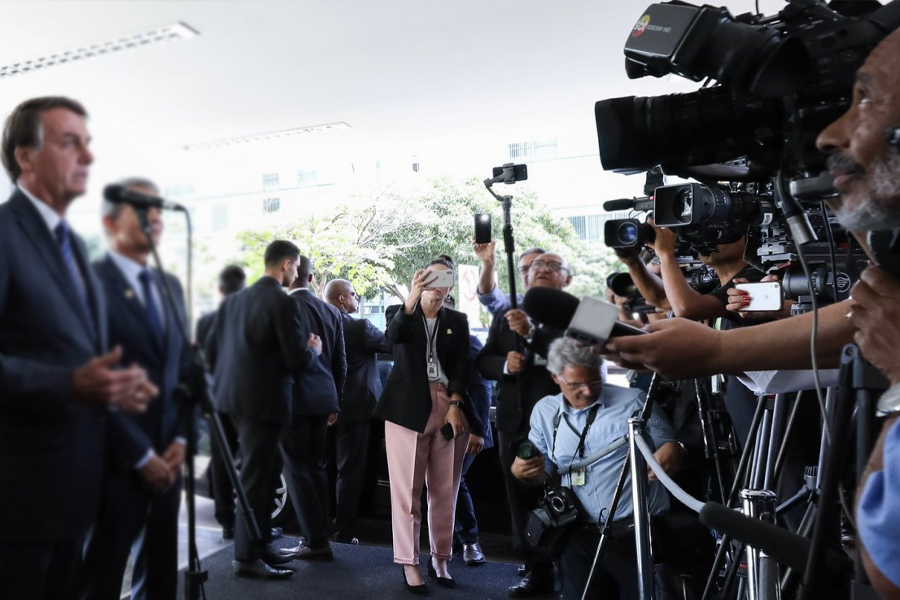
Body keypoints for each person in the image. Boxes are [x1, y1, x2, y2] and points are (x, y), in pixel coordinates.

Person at [603, 25, 900, 599]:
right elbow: (874, 307)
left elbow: (887, 563)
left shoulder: (763, 272)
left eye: (864, 102)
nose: (827, 137)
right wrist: (717, 350)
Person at [0, 97, 154, 600]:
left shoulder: (73, 248)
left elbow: (76, 355)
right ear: (25, 157)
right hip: (19, 503)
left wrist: (113, 390)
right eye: (71, 143)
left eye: (88, 144)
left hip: (77, 491)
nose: (88, 156)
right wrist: (69, 383)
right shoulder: (5, 233)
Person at [81, 177, 189, 600]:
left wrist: (181, 437)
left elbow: (181, 370)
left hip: (169, 456)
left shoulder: (171, 285)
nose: (156, 218)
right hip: (112, 461)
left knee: (161, 576)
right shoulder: (87, 285)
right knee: (101, 576)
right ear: (110, 221)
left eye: (159, 209)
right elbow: (88, 381)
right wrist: (140, 454)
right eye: (143, 209)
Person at [511, 338, 683, 600]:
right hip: (576, 532)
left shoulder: (635, 402)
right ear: (556, 378)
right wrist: (523, 470)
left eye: (594, 381)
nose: (588, 391)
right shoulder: (545, 411)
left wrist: (673, 451)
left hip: (633, 532)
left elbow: (673, 451)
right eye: (576, 385)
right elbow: (541, 472)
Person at [204, 240, 322, 579]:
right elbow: (293, 358)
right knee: (257, 481)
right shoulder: (281, 304)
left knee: (266, 475)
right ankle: (247, 559)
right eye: (297, 267)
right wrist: (312, 349)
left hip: (232, 400)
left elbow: (219, 349)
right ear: (286, 264)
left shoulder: (236, 300)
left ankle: (261, 545)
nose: (298, 273)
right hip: (264, 404)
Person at [374, 257, 484, 593]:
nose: (439, 282)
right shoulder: (402, 312)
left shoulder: (457, 321)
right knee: (407, 492)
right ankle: (408, 562)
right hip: (407, 408)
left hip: (448, 406)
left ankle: (441, 557)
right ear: (420, 277)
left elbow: (462, 368)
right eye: (432, 275)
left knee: (445, 489)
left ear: (452, 283)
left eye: (446, 277)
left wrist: (456, 404)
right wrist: (412, 298)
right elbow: (390, 338)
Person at [476, 252, 572, 597]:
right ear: (526, 278)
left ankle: (572, 568)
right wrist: (505, 364)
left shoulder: (587, 311)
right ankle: (537, 569)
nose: (542, 270)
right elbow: (483, 361)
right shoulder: (506, 316)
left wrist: (532, 336)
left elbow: (590, 356)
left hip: (568, 425)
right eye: (535, 267)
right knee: (520, 499)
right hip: (515, 424)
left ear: (568, 279)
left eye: (553, 266)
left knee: (569, 494)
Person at [278, 255, 347, 560]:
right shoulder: (331, 311)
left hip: (293, 401)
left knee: (296, 470)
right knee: (317, 469)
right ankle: (322, 536)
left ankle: (314, 541)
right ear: (309, 276)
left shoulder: (283, 308)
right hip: (323, 402)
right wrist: (335, 401)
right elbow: (339, 363)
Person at [324, 278, 392, 544]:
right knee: (350, 472)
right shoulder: (359, 327)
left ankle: (324, 522)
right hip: (355, 409)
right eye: (353, 294)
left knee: (326, 468)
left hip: (323, 407)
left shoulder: (318, 324)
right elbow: (390, 343)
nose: (356, 299)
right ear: (342, 299)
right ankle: (346, 530)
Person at [195, 264, 246, 540]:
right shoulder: (246, 318)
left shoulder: (207, 321)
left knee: (221, 460)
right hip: (244, 401)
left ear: (220, 289)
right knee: (250, 460)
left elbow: (202, 361)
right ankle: (250, 522)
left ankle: (226, 521)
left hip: (215, 400)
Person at [442, 294, 492, 566]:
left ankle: (470, 541)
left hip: (467, 426)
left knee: (453, 480)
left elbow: (483, 386)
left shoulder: (467, 339)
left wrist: (478, 429)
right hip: (437, 424)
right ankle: (445, 543)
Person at [473, 239, 546, 316]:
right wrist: (488, 263)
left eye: (537, 265)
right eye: (524, 269)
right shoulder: (514, 305)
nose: (530, 273)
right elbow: (489, 297)